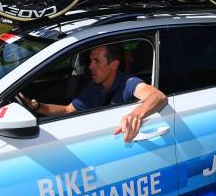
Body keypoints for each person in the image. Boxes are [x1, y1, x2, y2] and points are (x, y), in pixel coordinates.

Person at [21, 45, 167, 142]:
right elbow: (67, 110)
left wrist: (135, 115)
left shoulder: (128, 83)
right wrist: (36, 106)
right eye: (90, 61)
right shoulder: (95, 86)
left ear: (114, 64)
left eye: (97, 61)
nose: (90, 66)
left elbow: (158, 96)